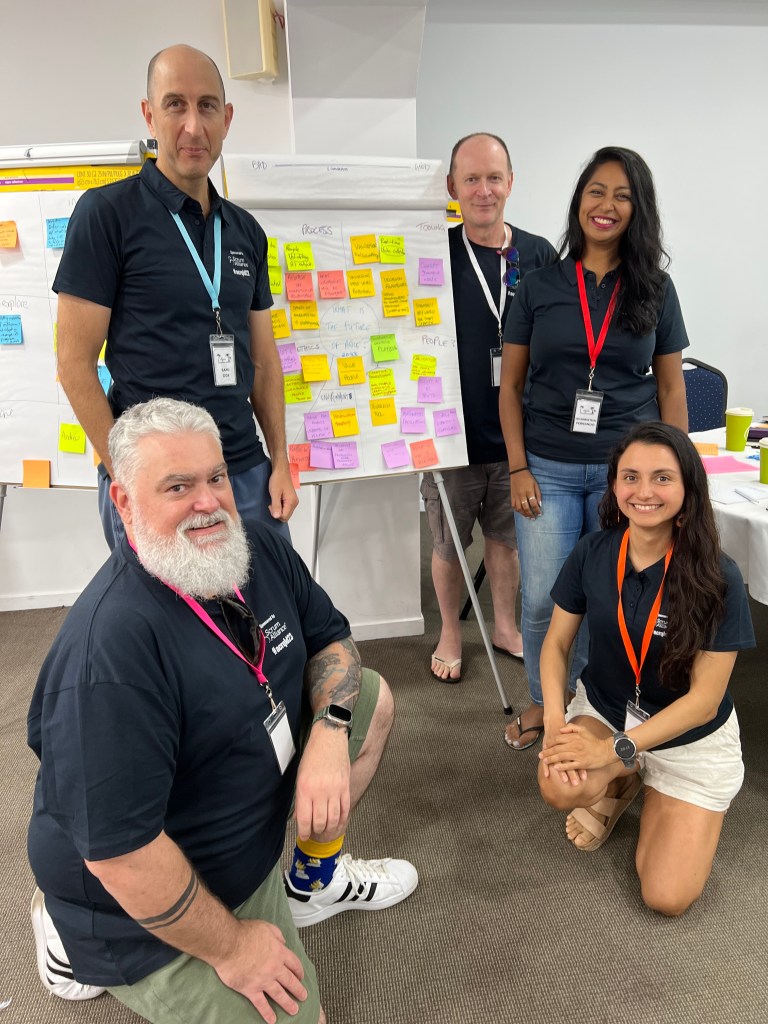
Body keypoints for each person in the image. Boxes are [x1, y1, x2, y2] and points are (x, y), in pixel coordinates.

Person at [27, 398, 418, 1023]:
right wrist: (234, 949)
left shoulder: (256, 546)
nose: (207, 502)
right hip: (141, 895)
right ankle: (68, 935)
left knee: (368, 699)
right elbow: (122, 855)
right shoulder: (111, 650)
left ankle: (309, 881)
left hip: (236, 813)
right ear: (124, 503)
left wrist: (329, 733)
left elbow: (333, 640)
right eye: (177, 487)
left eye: (215, 477)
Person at [54, 44, 297, 549]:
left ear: (227, 118)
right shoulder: (107, 215)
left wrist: (280, 461)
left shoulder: (245, 231)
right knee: (164, 606)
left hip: (244, 472)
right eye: (175, 105)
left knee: (273, 600)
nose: (193, 126)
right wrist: (126, 478)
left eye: (207, 106)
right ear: (149, 114)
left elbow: (263, 361)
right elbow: (74, 363)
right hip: (157, 481)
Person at [499, 145, 690, 747]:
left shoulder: (655, 289)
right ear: (579, 200)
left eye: (622, 196)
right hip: (547, 470)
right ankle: (543, 700)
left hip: (627, 476)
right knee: (543, 599)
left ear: (639, 211)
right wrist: (518, 468)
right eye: (596, 191)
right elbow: (510, 387)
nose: (606, 205)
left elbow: (671, 388)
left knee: (611, 600)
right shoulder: (538, 286)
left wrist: (680, 477)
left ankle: (590, 708)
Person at [537, 423, 754, 915]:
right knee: (559, 785)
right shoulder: (594, 552)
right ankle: (623, 775)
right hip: (608, 708)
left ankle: (627, 769)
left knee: (666, 896)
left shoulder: (718, 575)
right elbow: (556, 644)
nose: (644, 491)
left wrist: (610, 750)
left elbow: (703, 702)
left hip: (688, 736)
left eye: (662, 478)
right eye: (630, 476)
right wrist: (554, 722)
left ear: (687, 488)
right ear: (614, 485)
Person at [421, 132, 556, 683]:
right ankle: (450, 633)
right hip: (451, 435)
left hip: (518, 439)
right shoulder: (432, 250)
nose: (483, 190)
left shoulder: (540, 255)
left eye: (493, 178)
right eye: (471, 179)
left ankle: (504, 626)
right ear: (452, 187)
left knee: (506, 540)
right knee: (448, 544)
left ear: (511, 183)